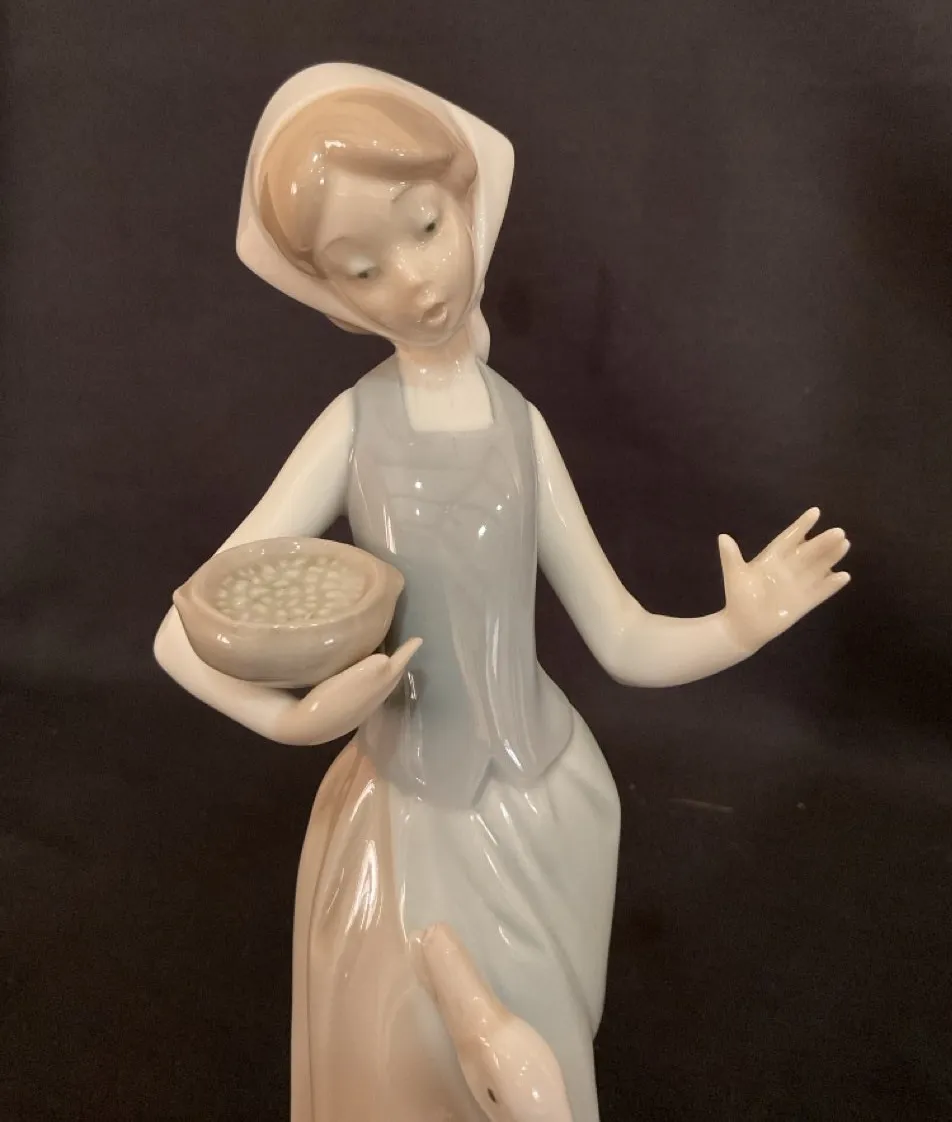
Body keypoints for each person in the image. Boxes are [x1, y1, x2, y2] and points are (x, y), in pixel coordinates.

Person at [154, 63, 851, 1122]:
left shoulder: (522, 427)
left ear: (467, 201)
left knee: (543, 1073)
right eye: (362, 269)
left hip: (544, 802)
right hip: (407, 815)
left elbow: (622, 638)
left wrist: (736, 627)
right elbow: (182, 632)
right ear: (336, 300)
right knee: (400, 1069)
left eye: (426, 227)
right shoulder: (353, 427)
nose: (414, 282)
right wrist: (295, 720)